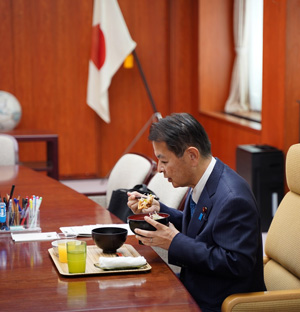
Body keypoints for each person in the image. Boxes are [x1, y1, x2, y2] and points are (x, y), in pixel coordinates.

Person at [127, 113, 266, 312]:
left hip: (218, 302)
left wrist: (174, 242)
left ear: (192, 156)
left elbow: (235, 263)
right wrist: (159, 210)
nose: (159, 169)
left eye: (164, 161)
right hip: (195, 287)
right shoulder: (205, 179)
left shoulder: (233, 198)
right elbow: (205, 227)